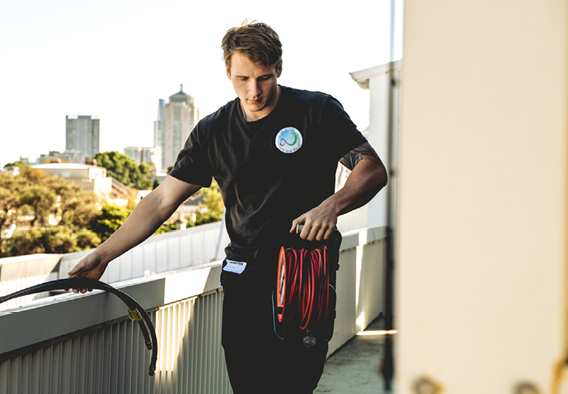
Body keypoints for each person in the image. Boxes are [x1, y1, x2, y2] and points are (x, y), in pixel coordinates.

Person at [69, 20, 387, 394]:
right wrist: (104, 254)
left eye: (264, 78)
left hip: (303, 273)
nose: (254, 91)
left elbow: (372, 168)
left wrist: (331, 206)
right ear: (227, 72)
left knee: (293, 383)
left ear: (279, 68)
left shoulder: (316, 111)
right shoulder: (212, 131)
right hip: (243, 278)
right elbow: (160, 201)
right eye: (243, 79)